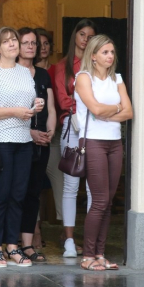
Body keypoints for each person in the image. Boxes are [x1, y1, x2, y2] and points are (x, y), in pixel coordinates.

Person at [0, 26, 44, 268]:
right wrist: (15, 111)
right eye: (6, 42)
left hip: (23, 141)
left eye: (14, 40)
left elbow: (26, 103)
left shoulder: (25, 73)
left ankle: (13, 247)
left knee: (18, 196)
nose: (13, 44)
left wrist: (36, 105)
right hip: (0, 142)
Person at [74, 34, 133, 271]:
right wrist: (116, 108)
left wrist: (112, 110)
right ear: (93, 55)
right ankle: (88, 255)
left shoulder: (116, 78)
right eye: (105, 52)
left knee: (108, 202)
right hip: (94, 142)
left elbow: (129, 113)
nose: (110, 56)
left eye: (112, 52)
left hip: (114, 142)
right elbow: (95, 109)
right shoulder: (83, 78)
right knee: (99, 200)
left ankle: (100, 253)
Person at [54, 18, 98, 257]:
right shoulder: (64, 66)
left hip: (98, 129)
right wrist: (93, 105)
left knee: (94, 188)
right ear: (75, 37)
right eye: (82, 34)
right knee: (71, 187)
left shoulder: (100, 64)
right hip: (73, 129)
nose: (86, 40)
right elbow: (63, 101)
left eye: (91, 36)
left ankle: (90, 242)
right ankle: (69, 241)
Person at [16, 27, 56, 262]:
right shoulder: (10, 72)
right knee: (16, 192)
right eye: (26, 42)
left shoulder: (42, 74)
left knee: (33, 193)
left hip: (42, 142)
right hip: (19, 140)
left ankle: (28, 245)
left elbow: (51, 108)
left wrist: (49, 132)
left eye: (34, 43)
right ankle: (12, 242)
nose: (31, 46)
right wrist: (30, 133)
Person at [35, 28, 63, 248]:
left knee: (58, 181)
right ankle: (34, 231)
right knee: (32, 186)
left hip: (54, 133)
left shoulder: (55, 71)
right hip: (30, 134)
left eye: (46, 43)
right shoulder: (25, 71)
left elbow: (57, 104)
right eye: (38, 43)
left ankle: (67, 232)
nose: (43, 47)